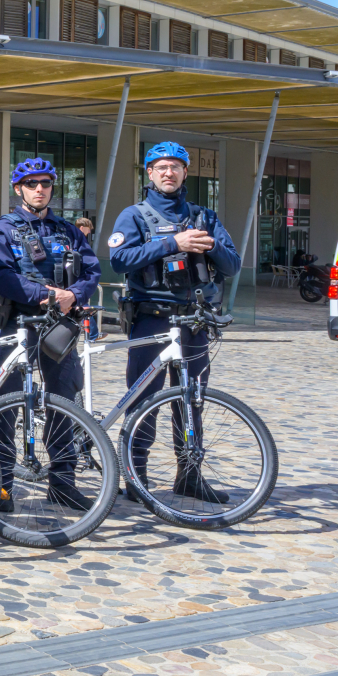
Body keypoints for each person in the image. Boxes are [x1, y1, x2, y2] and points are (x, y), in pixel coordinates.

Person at [108, 140, 241, 503]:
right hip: (152, 319)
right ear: (149, 173)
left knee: (191, 399)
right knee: (143, 400)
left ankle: (190, 475)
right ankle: (136, 477)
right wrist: (173, 244)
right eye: (161, 167)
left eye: (176, 167)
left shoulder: (204, 216)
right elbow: (119, 260)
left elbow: (233, 264)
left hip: (194, 321)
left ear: (185, 172)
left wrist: (209, 245)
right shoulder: (133, 215)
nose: (169, 173)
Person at [0, 157, 101, 512]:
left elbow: (91, 270)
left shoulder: (68, 230)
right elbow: (0, 275)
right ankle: (1, 486)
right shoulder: (3, 228)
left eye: (45, 183)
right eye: (31, 184)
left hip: (61, 328)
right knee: (4, 405)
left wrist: (74, 296)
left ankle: (62, 484)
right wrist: (47, 295)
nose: (39, 189)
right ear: (19, 189)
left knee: (63, 402)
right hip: (19, 325)